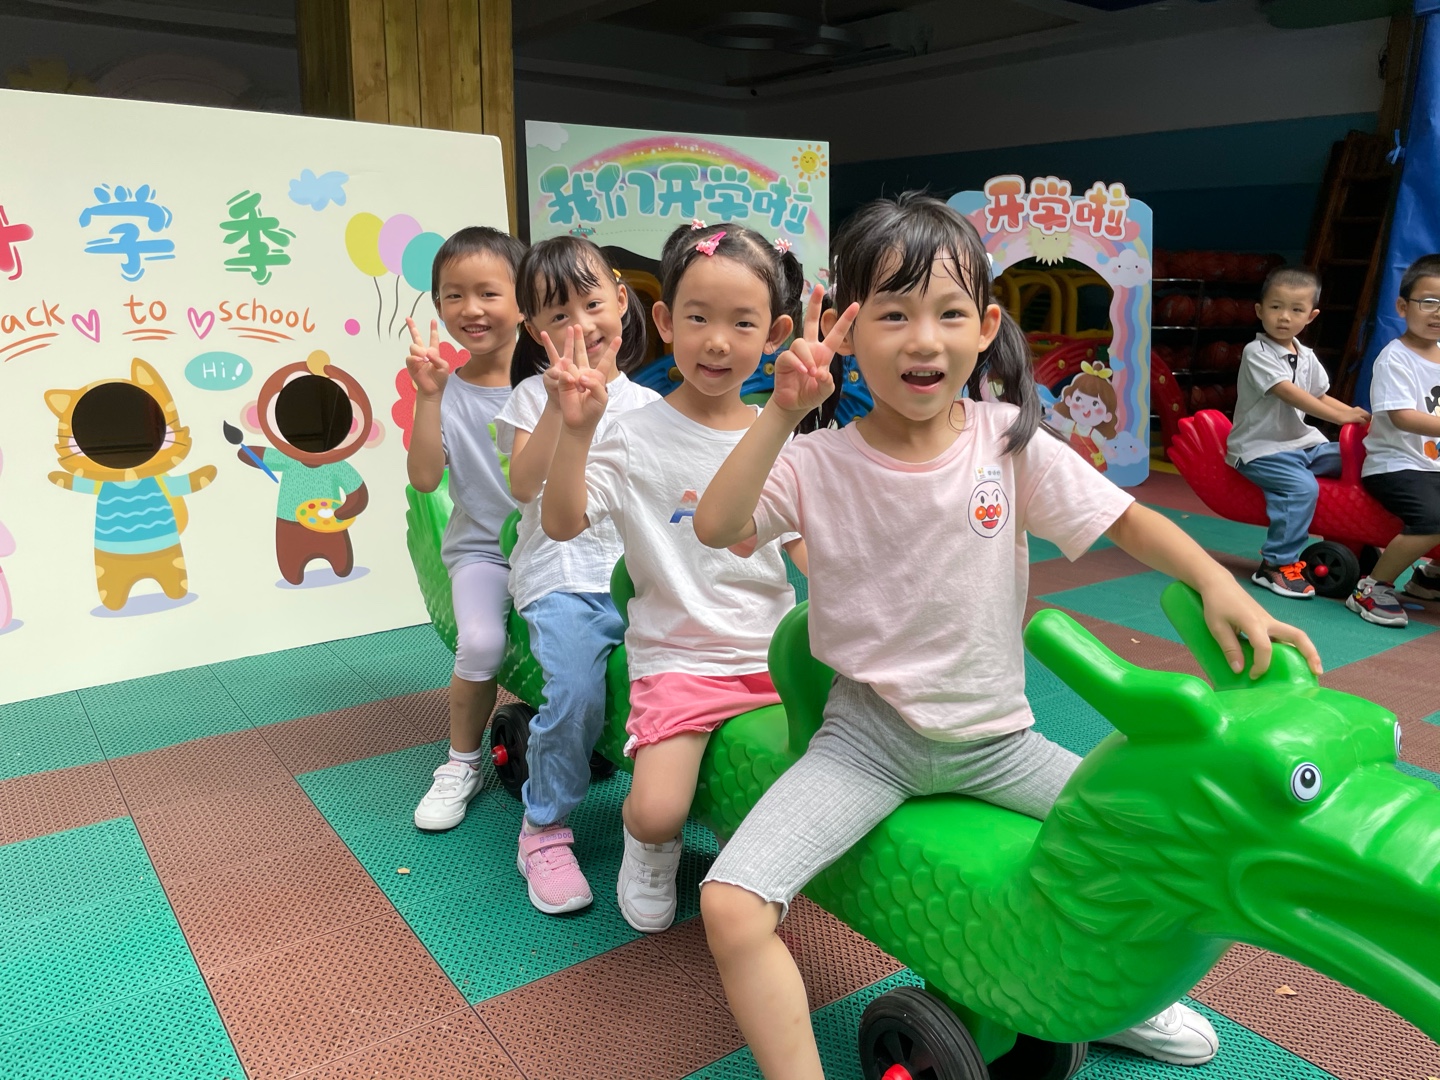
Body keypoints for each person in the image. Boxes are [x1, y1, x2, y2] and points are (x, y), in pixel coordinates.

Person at [691, 192, 1322, 1079]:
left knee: (1154, 839)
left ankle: (1116, 1002)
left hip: (999, 741)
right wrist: (780, 413)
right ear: (847, 330)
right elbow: (718, 525)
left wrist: (1218, 583)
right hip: (865, 744)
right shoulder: (814, 461)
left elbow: (1128, 520)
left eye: (950, 314)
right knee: (730, 905)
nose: (924, 340)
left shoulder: (1008, 443)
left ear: (986, 327)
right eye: (894, 314)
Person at [541, 221, 807, 933]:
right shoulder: (632, 433)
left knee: (814, 785)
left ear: (775, 333)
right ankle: (647, 846)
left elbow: (805, 544)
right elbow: (562, 522)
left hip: (772, 653)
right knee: (660, 810)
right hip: (681, 657)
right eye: (697, 318)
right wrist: (575, 432)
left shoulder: (777, 433)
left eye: (742, 322)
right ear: (663, 321)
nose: (717, 342)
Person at [493, 236, 657, 913]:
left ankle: (662, 821)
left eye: (592, 305)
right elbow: (522, 485)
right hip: (564, 577)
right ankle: (543, 827)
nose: (580, 327)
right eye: (558, 315)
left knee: (684, 687)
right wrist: (561, 411)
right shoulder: (532, 396)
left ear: (621, 301)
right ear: (536, 329)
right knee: (579, 693)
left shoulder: (649, 406)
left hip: (638, 579)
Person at [406, 226, 525, 831]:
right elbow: (425, 478)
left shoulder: (550, 384)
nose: (470, 309)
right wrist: (428, 399)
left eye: (488, 293)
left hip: (557, 546)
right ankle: (461, 762)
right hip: (483, 549)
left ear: (525, 301)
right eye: (453, 295)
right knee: (480, 643)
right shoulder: (446, 391)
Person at [1225, 266, 1369, 597]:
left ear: (1311, 316)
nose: (1284, 317)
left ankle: (1356, 537)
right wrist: (1342, 417)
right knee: (1301, 489)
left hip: (1301, 445)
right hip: (1261, 449)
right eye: (1275, 307)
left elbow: (1319, 395)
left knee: (1359, 457)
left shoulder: (1306, 355)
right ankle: (1274, 565)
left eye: (1296, 309)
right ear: (1260, 310)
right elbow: (1288, 393)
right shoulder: (1256, 352)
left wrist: (1356, 418)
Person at [1351, 253, 1440, 626]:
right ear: (1403, 307)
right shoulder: (1395, 358)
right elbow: (1402, 416)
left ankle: (1429, 577)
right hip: (1396, 465)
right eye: (1429, 302)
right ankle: (1371, 587)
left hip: (1431, 464)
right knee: (1434, 518)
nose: (1437, 312)